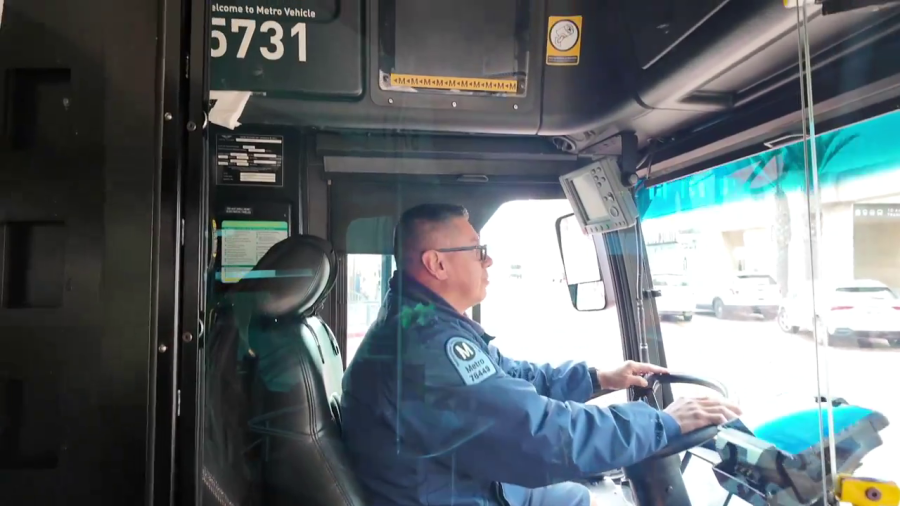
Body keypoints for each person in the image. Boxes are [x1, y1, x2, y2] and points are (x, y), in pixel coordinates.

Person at [340, 203, 742, 506]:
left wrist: (598, 378)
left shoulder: (424, 323)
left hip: (453, 481)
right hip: (452, 493)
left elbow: (506, 377)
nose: (489, 260)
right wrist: (662, 424)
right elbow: (540, 437)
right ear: (437, 263)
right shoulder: (425, 347)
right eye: (478, 251)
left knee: (573, 496)